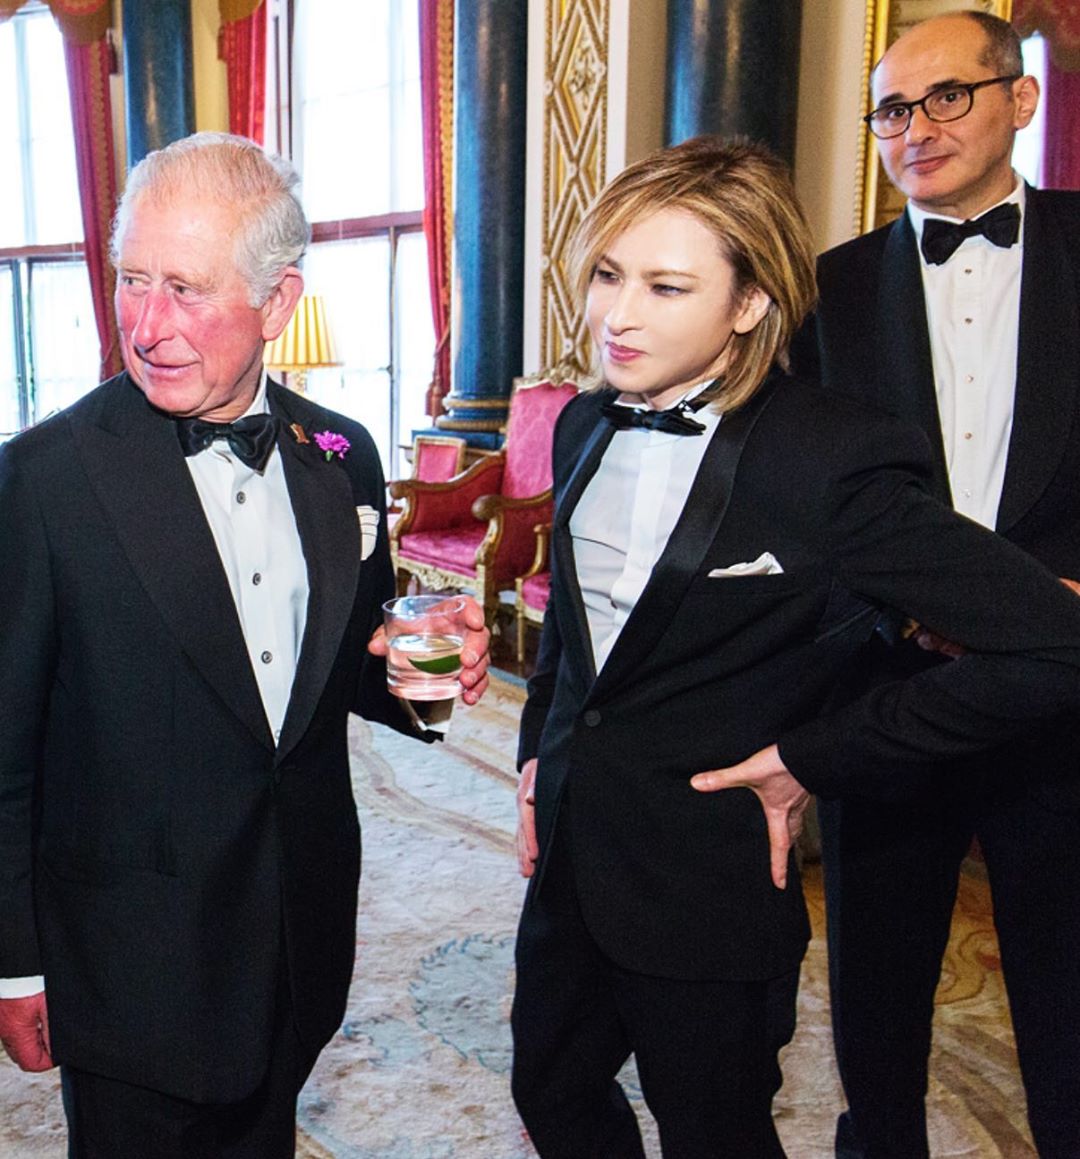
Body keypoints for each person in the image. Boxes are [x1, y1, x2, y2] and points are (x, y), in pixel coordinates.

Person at [510, 133, 1080, 1159]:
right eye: (607, 274)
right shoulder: (584, 423)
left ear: (750, 304)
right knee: (550, 1094)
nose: (617, 314)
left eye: (666, 287)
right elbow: (578, 626)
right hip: (572, 858)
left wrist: (816, 755)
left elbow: (1055, 647)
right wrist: (534, 754)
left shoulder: (831, 458)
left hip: (711, 887)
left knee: (715, 1131)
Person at [0, 132, 489, 1159]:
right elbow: (3, 752)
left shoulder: (340, 455)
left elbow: (347, 664)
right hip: (131, 963)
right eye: (131, 279)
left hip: (297, 932)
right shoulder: (42, 480)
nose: (146, 325)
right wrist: (16, 963)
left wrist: (420, 675)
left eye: (185, 289)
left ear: (278, 303)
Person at [788, 11, 1080, 1156]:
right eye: (893, 111)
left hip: (1062, 689)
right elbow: (806, 496)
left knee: (1065, 982)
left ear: (1021, 97)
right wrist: (900, 605)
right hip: (889, 683)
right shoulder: (832, 288)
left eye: (947, 96)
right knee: (876, 991)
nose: (917, 128)